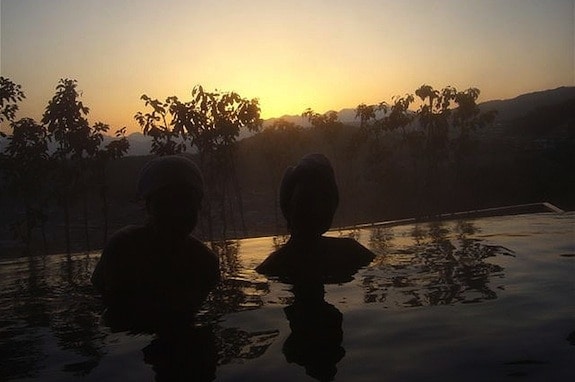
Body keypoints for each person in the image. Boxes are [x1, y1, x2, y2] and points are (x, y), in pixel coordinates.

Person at [91, 155, 220, 326]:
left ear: (199, 204)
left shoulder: (206, 262)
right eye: (165, 203)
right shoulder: (124, 249)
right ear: (148, 206)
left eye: (184, 201)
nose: (176, 212)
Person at [256, 153, 375, 284]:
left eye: (321, 200)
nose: (313, 209)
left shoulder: (272, 267)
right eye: (305, 202)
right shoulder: (352, 253)